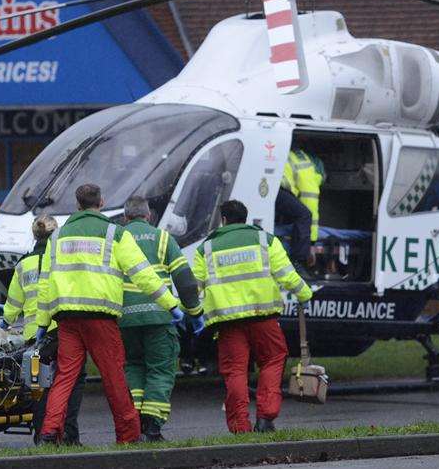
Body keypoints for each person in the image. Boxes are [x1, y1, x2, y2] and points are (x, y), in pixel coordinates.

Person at [35, 183, 182, 445]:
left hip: (66, 318)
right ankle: (128, 435)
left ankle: (48, 432)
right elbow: (142, 273)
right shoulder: (115, 233)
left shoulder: (57, 237)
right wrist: (170, 303)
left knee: (65, 376)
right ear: (101, 203)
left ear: (77, 204)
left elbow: (45, 283)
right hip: (100, 316)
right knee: (114, 376)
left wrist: (42, 323)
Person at [192, 199, 312, 434]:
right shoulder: (264, 240)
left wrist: (193, 312)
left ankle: (239, 426)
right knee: (273, 359)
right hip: (262, 317)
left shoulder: (205, 248)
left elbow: (195, 287)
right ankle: (266, 418)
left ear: (223, 220)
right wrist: (304, 294)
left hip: (228, 323)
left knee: (235, 370)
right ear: (245, 219)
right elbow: (287, 275)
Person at [119, 195, 204, 442]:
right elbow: (185, 281)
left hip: (125, 320)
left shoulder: (115, 239)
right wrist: (195, 313)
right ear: (149, 216)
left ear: (125, 217)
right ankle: (152, 426)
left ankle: (134, 418)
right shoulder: (162, 238)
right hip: (160, 317)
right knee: (160, 370)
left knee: (133, 366)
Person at [4, 216, 85, 445]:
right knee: (73, 382)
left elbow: (12, 306)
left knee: (39, 388)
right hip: (64, 331)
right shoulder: (64, 259)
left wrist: (4, 323)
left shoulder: (23, 265)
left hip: (34, 338)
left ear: (34, 235)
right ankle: (70, 436)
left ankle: (43, 437)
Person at [277, 147, 324, 270]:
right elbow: (311, 209)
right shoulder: (308, 171)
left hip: (272, 185)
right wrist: (311, 244)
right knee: (304, 214)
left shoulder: (297, 157)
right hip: (279, 188)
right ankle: (298, 261)